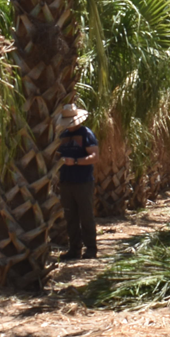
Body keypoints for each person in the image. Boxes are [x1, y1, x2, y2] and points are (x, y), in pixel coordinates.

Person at [55, 103, 99, 260]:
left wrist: (74, 162)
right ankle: (74, 249)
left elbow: (94, 156)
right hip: (66, 181)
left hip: (83, 181)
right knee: (70, 216)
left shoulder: (86, 134)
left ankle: (91, 249)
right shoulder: (62, 135)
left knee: (86, 215)